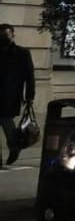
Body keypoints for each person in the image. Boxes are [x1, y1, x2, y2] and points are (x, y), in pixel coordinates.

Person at [0, 25, 35, 166]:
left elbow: (29, 76)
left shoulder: (22, 53)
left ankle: (14, 146)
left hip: (10, 95)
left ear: (12, 35)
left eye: (5, 35)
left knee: (6, 122)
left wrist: (30, 97)